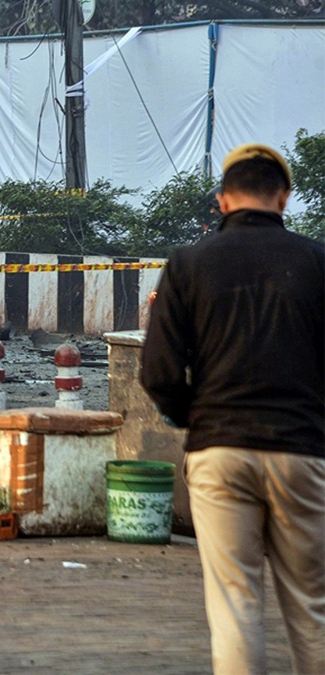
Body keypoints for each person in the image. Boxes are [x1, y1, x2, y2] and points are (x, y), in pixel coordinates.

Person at [141, 143, 324, 674]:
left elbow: (157, 373)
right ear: (284, 198)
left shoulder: (188, 264)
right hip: (303, 452)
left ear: (222, 201)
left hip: (218, 450)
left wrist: (191, 417)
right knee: (313, 607)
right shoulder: (316, 262)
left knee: (236, 605)